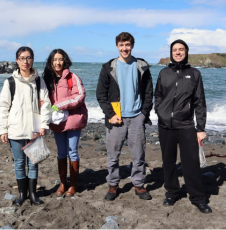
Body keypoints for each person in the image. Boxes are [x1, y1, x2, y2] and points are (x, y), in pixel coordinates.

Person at [154, 39, 212, 213]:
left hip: (186, 125)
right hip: (165, 126)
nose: (178, 52)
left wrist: (200, 128)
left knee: (191, 162)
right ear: (171, 53)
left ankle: (198, 198)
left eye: (181, 49)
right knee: (168, 161)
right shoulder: (164, 73)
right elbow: (158, 96)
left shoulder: (194, 74)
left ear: (186, 52)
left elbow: (200, 102)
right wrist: (160, 112)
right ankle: (172, 193)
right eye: (175, 50)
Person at [96, 32, 153, 201]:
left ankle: (139, 184)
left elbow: (149, 92)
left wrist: (144, 114)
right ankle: (113, 184)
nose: (124, 48)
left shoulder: (141, 66)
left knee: (138, 155)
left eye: (127, 45)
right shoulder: (108, 67)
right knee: (113, 155)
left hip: (136, 117)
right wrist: (110, 114)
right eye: (121, 45)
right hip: (116, 118)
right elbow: (101, 94)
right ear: (116, 47)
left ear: (132, 46)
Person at [0, 46, 51, 206]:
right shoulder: (10, 82)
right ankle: (22, 194)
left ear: (32, 60)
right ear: (17, 60)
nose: (25, 61)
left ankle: (33, 195)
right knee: (19, 163)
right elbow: (3, 106)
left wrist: (43, 125)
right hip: (15, 130)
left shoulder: (39, 81)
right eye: (22, 58)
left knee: (33, 162)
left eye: (28, 58)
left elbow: (46, 104)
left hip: (34, 129)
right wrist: (3, 129)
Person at [43, 49, 87, 197]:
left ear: (65, 60)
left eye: (60, 59)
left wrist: (60, 105)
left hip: (73, 120)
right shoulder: (47, 79)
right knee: (61, 152)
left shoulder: (72, 77)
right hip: (57, 122)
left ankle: (73, 185)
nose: (58, 62)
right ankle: (63, 183)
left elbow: (80, 96)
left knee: (73, 151)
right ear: (51, 61)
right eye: (55, 59)